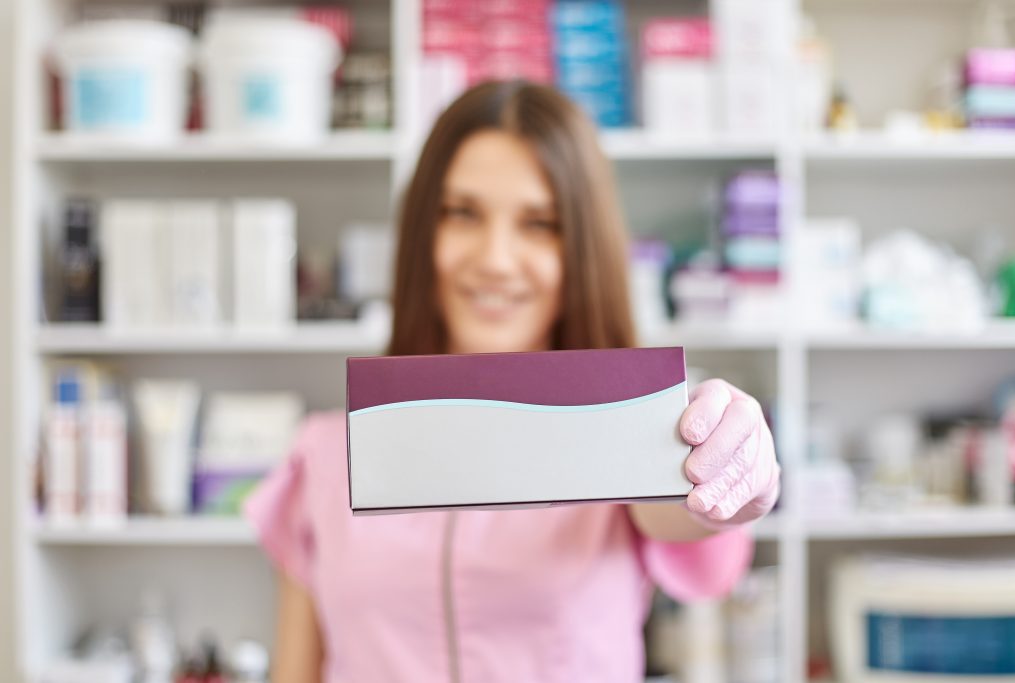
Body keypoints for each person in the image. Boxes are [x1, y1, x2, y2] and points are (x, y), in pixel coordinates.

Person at [245, 81, 781, 683]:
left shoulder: (619, 436)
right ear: (425, 233)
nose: (496, 259)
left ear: (581, 249)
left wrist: (726, 469)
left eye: (539, 223)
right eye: (462, 213)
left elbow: (685, 516)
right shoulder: (323, 456)